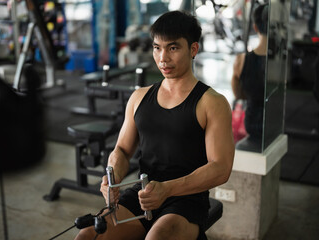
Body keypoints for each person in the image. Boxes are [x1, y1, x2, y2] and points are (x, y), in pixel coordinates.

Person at [75, 10, 234, 240]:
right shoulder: (139, 97)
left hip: (186, 200)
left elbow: (221, 168)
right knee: (87, 235)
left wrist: (167, 189)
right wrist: (113, 180)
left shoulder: (212, 103)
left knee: (156, 237)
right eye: (157, 48)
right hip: (143, 194)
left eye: (173, 48)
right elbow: (121, 150)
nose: (163, 58)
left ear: (193, 49)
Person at [231, 4, 268, 151]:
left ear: (255, 27)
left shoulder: (241, 60)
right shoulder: (282, 63)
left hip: (252, 124)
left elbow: (239, 94)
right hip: (274, 125)